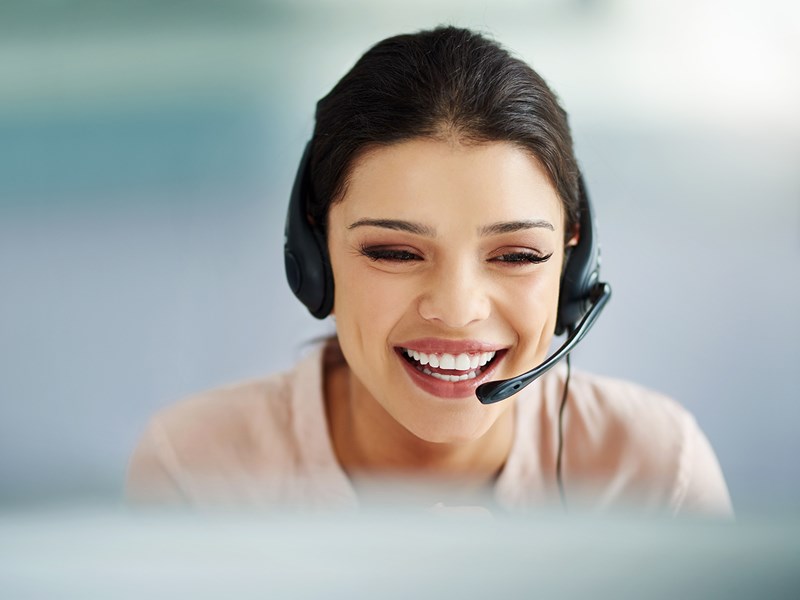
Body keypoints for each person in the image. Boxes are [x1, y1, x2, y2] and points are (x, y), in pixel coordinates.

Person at [126, 26, 733, 516]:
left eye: (517, 256)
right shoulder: (195, 470)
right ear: (315, 252)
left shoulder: (655, 471)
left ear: (572, 265)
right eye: (394, 253)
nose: (457, 307)